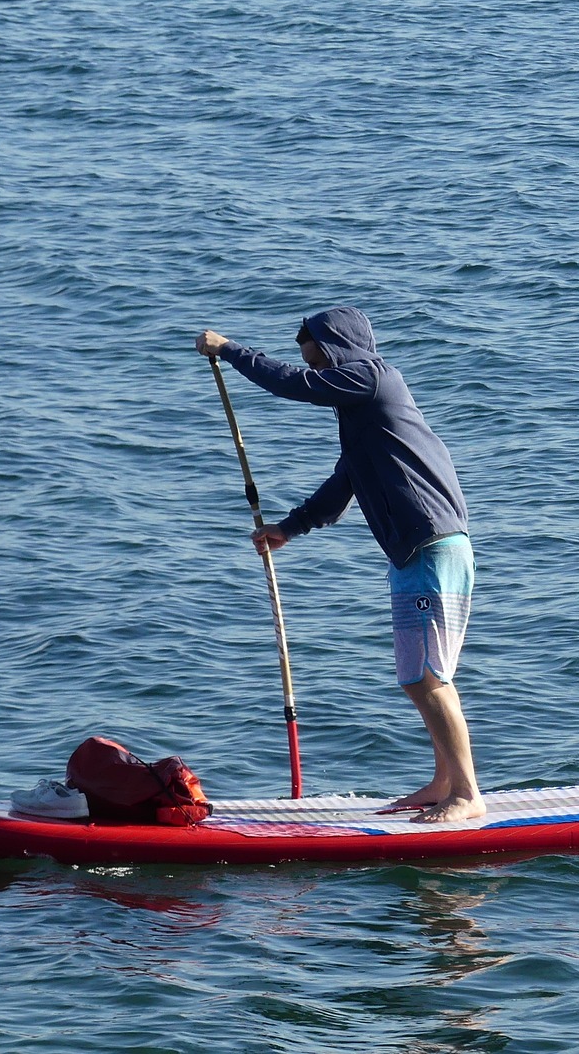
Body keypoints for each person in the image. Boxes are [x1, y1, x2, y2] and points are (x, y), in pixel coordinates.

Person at [195, 307, 484, 823]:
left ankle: (466, 794)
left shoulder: (374, 379)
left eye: (321, 358)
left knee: (428, 677)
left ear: (337, 351)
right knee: (417, 676)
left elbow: (296, 383)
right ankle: (444, 782)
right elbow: (341, 486)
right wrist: (288, 528)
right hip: (414, 550)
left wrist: (232, 350)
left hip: (432, 546)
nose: (320, 370)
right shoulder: (362, 419)